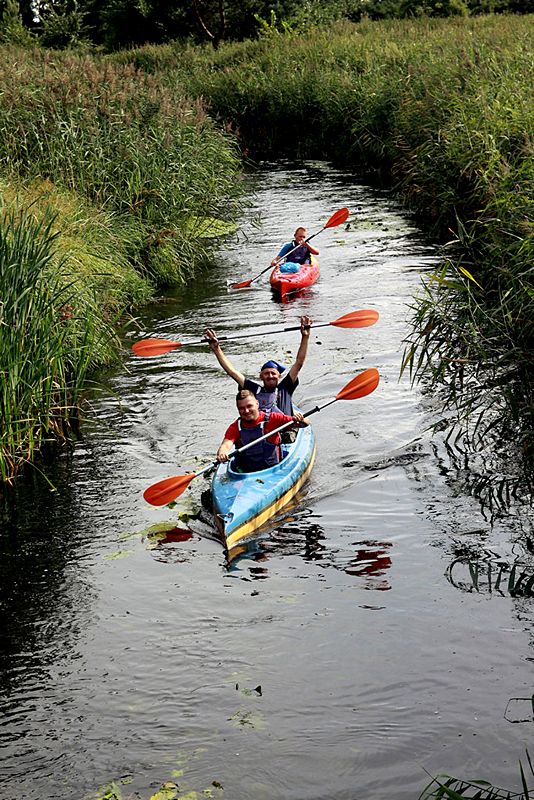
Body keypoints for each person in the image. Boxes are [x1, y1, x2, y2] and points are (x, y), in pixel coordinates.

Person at [204, 315, 313, 416]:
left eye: (273, 373)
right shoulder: (253, 389)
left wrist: (305, 337)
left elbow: (299, 363)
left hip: (286, 432)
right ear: (261, 377)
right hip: (263, 432)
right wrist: (216, 349)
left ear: (279, 376)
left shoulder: (285, 387)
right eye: (266, 374)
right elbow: (232, 372)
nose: (270, 376)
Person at [216, 390, 309, 473]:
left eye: (249, 406)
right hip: (246, 474)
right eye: (242, 408)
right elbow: (226, 445)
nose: (246, 411)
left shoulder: (273, 418)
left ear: (257, 404)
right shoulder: (235, 427)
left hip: (273, 470)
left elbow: (305, 424)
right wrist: (222, 454)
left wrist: (301, 419)